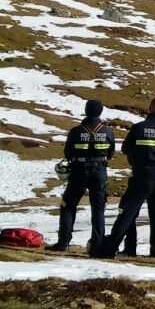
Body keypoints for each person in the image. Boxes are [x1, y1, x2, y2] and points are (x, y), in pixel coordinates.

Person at [97, 96, 155, 266]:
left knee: (126, 213)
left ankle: (109, 250)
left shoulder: (139, 128)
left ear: (149, 109)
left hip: (142, 175)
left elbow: (126, 149)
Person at [50, 99, 115, 252]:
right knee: (98, 209)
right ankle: (97, 246)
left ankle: (63, 242)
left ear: (86, 111)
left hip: (79, 171)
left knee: (68, 205)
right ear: (100, 112)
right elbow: (110, 154)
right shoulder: (107, 131)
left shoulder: (76, 131)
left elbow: (68, 154)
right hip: (99, 172)